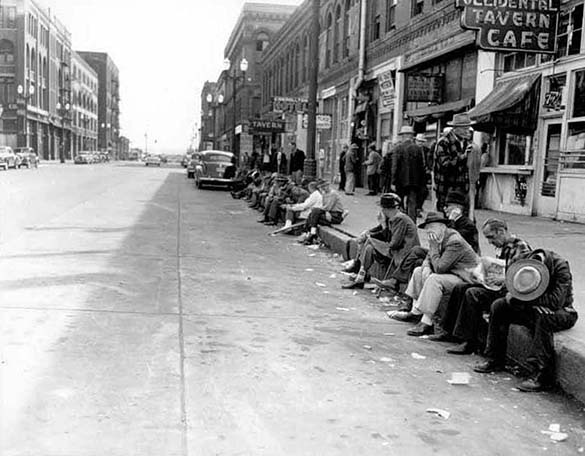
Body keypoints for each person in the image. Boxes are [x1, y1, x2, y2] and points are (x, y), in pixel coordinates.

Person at [474, 249, 578, 392]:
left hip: (562, 311)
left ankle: (540, 375)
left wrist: (524, 299)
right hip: (531, 305)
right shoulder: (521, 262)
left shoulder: (560, 267)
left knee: (544, 317)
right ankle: (495, 358)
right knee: (499, 306)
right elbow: (511, 290)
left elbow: (555, 301)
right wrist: (518, 296)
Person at [436, 217, 532, 354]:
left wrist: (503, 279)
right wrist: (480, 275)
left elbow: (523, 276)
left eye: (491, 237)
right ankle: (449, 331)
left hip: (509, 291)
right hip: (499, 286)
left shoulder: (521, 247)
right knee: (461, 288)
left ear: (501, 231)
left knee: (473, 294)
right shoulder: (503, 247)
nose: (490, 242)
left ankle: (469, 341)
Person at [389, 211, 480, 336]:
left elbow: (440, 268)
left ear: (442, 227)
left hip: (465, 278)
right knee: (418, 271)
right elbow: (428, 258)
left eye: (432, 227)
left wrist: (433, 248)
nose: (428, 231)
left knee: (434, 279)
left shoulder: (454, 241)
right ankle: (415, 311)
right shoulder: (439, 238)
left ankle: (426, 322)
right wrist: (426, 266)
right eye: (427, 229)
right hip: (452, 273)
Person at [341, 193, 420, 290]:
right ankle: (360, 276)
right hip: (397, 250)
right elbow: (381, 232)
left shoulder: (399, 219)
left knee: (370, 241)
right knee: (369, 246)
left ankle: (359, 271)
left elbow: (394, 243)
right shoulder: (394, 218)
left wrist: (381, 226)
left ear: (385, 209)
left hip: (403, 253)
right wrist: (368, 233)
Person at [434, 113, 474, 213]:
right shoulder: (444, 142)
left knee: (463, 219)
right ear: (456, 128)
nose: (467, 131)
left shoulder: (466, 142)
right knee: (449, 218)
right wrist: (462, 157)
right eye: (464, 128)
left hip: (463, 188)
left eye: (468, 128)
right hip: (447, 188)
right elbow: (445, 166)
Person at [391, 125, 426, 221]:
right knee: (412, 204)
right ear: (411, 136)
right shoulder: (418, 149)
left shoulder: (398, 148)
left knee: (399, 203)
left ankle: (401, 223)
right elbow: (422, 167)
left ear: (403, 136)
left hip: (400, 180)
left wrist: (393, 181)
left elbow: (395, 166)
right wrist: (422, 182)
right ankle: (411, 225)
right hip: (415, 181)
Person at [300, 180, 345, 245]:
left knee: (315, 212)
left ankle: (309, 233)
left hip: (335, 216)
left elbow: (328, 207)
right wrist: (326, 212)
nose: (323, 188)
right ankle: (311, 233)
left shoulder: (333, 194)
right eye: (322, 187)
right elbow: (324, 206)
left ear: (328, 185)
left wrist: (325, 211)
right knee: (312, 215)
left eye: (324, 186)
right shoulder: (324, 194)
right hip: (328, 213)